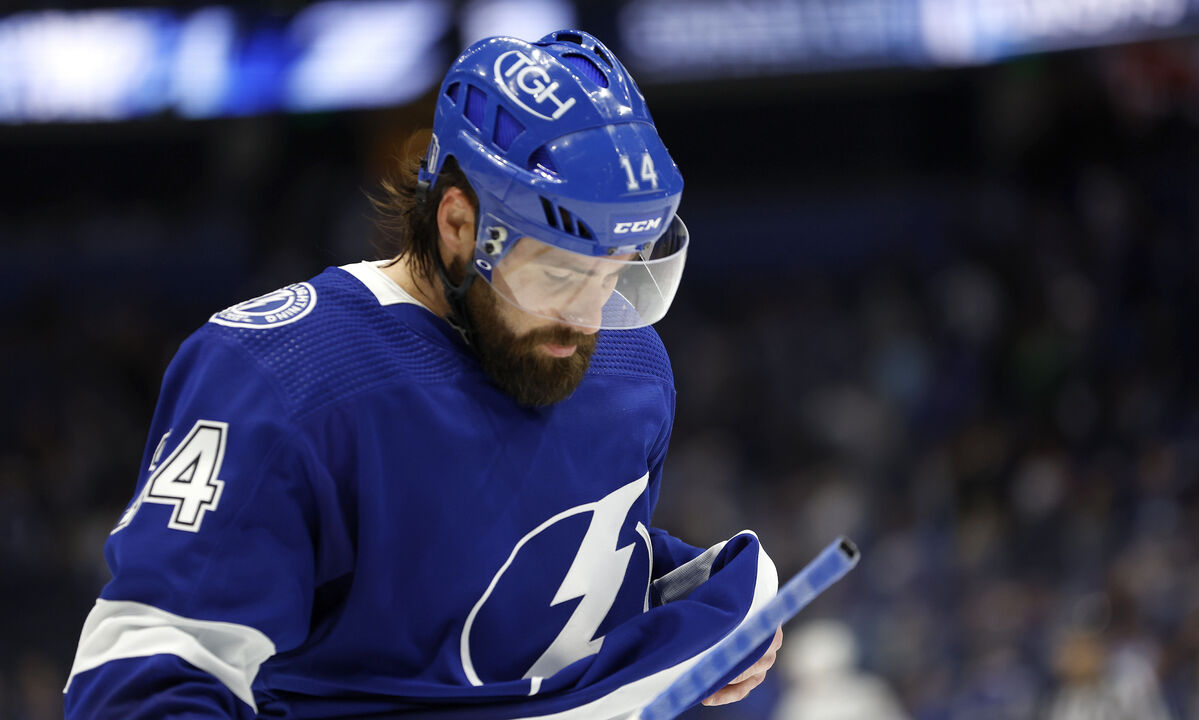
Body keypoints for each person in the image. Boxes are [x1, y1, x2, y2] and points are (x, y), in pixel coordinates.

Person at [64, 29, 781, 719]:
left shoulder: (630, 367)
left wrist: (680, 591)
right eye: (562, 275)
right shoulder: (274, 378)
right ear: (459, 224)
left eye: (618, 275)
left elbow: (509, 566)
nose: (591, 317)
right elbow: (146, 680)